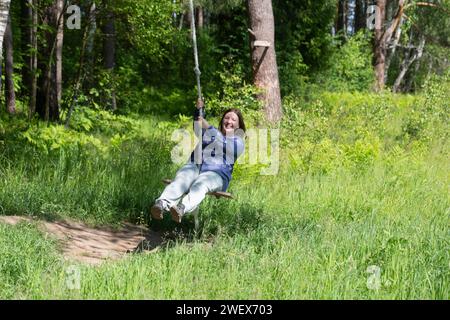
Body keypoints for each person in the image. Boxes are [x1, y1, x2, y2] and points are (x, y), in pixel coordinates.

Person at [150, 99, 246, 223]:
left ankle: (181, 208)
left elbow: (222, 142)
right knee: (183, 178)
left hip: (216, 174)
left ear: (238, 126)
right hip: (195, 166)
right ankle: (162, 204)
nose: (229, 121)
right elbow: (197, 127)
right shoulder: (210, 133)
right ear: (222, 120)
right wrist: (198, 111)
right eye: (227, 118)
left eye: (233, 120)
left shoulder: (238, 142)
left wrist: (207, 126)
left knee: (201, 183)